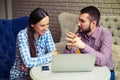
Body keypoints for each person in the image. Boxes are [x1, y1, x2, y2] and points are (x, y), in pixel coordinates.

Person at [64, 6, 115, 80]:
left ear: (93, 23)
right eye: (79, 20)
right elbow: (68, 59)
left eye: (82, 21)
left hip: (106, 71)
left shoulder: (106, 34)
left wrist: (83, 46)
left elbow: (103, 61)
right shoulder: (80, 32)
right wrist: (68, 48)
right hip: (87, 70)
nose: (78, 24)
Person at [10, 7, 57, 80]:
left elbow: (55, 55)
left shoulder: (46, 32)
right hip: (21, 75)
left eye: (47, 24)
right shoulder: (22, 35)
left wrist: (32, 61)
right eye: (42, 25)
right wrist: (49, 55)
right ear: (32, 24)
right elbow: (28, 63)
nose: (46, 28)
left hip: (38, 72)